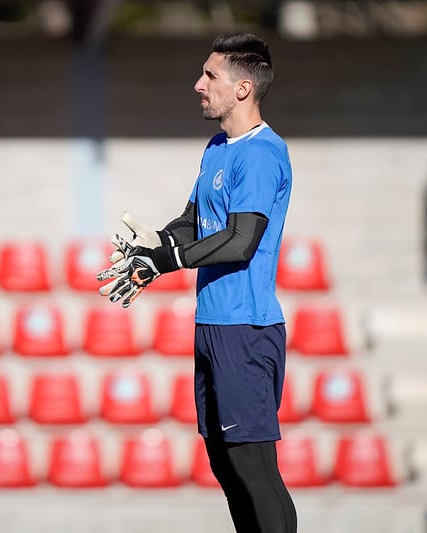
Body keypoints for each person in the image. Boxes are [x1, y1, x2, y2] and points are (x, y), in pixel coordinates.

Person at [97, 32, 297, 533]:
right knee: (225, 464)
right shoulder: (217, 148)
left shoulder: (261, 153)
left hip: (246, 331)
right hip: (212, 327)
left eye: (211, 76)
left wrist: (170, 259)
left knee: (254, 468)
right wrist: (152, 248)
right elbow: (191, 222)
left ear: (243, 88)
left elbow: (241, 240)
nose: (198, 85)